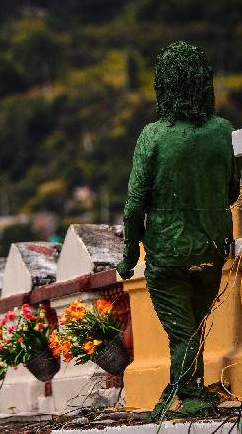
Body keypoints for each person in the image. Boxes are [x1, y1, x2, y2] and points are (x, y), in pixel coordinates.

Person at [117, 41, 241, 420]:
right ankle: (188, 389)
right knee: (194, 326)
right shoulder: (222, 131)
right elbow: (231, 191)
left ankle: (187, 393)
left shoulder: (153, 136)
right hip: (211, 248)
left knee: (182, 331)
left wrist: (128, 256)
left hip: (167, 253)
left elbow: (134, 205)